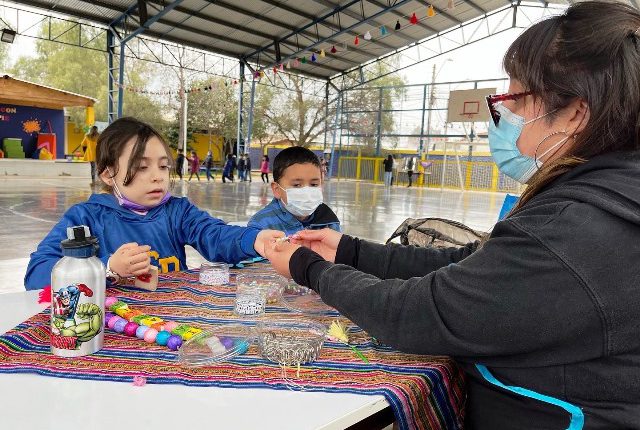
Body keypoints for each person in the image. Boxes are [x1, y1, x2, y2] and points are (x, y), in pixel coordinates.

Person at [264, 3, 640, 428]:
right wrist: (350, 252)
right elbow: (472, 265)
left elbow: (418, 314)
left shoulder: (577, 229)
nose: (504, 117)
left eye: (514, 101)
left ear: (575, 112)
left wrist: (308, 268)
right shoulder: (605, 196)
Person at [24, 117, 282, 290]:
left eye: (163, 166)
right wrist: (107, 268)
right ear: (108, 174)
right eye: (142, 167)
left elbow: (215, 235)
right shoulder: (86, 218)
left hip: (173, 323)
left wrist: (255, 240)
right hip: (116, 327)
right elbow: (37, 273)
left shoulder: (177, 211)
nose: (158, 176)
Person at [248, 146, 340, 235]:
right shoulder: (261, 225)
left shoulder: (329, 220)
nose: (306, 193)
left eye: (314, 184)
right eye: (297, 185)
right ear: (277, 189)